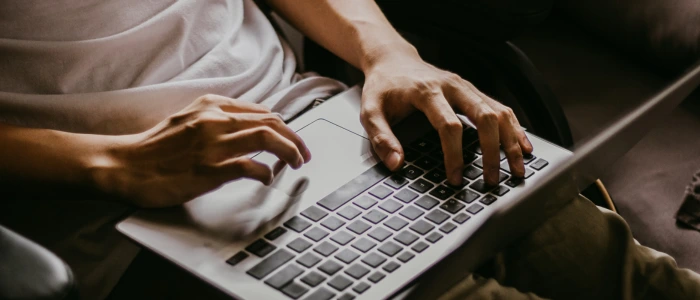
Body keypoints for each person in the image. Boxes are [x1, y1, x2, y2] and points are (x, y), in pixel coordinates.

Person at [0, 0, 698, 299]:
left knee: (642, 281)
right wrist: (113, 163)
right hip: (134, 222)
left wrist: (388, 53)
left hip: (331, 133)